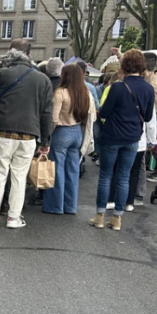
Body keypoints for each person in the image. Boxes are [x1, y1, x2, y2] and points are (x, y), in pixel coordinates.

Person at [0, 39, 53, 229]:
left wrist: (0, 67)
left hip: (3, 130)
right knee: (19, 178)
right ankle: (14, 217)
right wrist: (45, 140)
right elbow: (46, 113)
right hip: (29, 134)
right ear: (29, 55)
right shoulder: (42, 79)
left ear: (9, 53)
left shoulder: (3, 73)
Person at [91, 49, 154, 231]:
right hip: (133, 137)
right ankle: (117, 218)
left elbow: (104, 112)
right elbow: (149, 116)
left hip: (112, 136)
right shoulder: (148, 89)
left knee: (105, 175)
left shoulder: (118, 87)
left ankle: (100, 216)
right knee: (124, 177)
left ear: (123, 65)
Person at [42, 64, 95, 215]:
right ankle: (70, 206)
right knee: (72, 171)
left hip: (61, 132)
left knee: (57, 170)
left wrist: (46, 136)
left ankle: (55, 205)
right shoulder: (86, 92)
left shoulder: (60, 92)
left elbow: (53, 118)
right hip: (78, 132)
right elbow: (92, 116)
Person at [107, 104, 157, 212]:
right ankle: (129, 203)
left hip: (118, 137)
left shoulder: (119, 90)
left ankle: (111, 200)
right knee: (134, 172)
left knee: (116, 169)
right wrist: (152, 140)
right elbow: (151, 122)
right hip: (139, 140)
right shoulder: (147, 93)